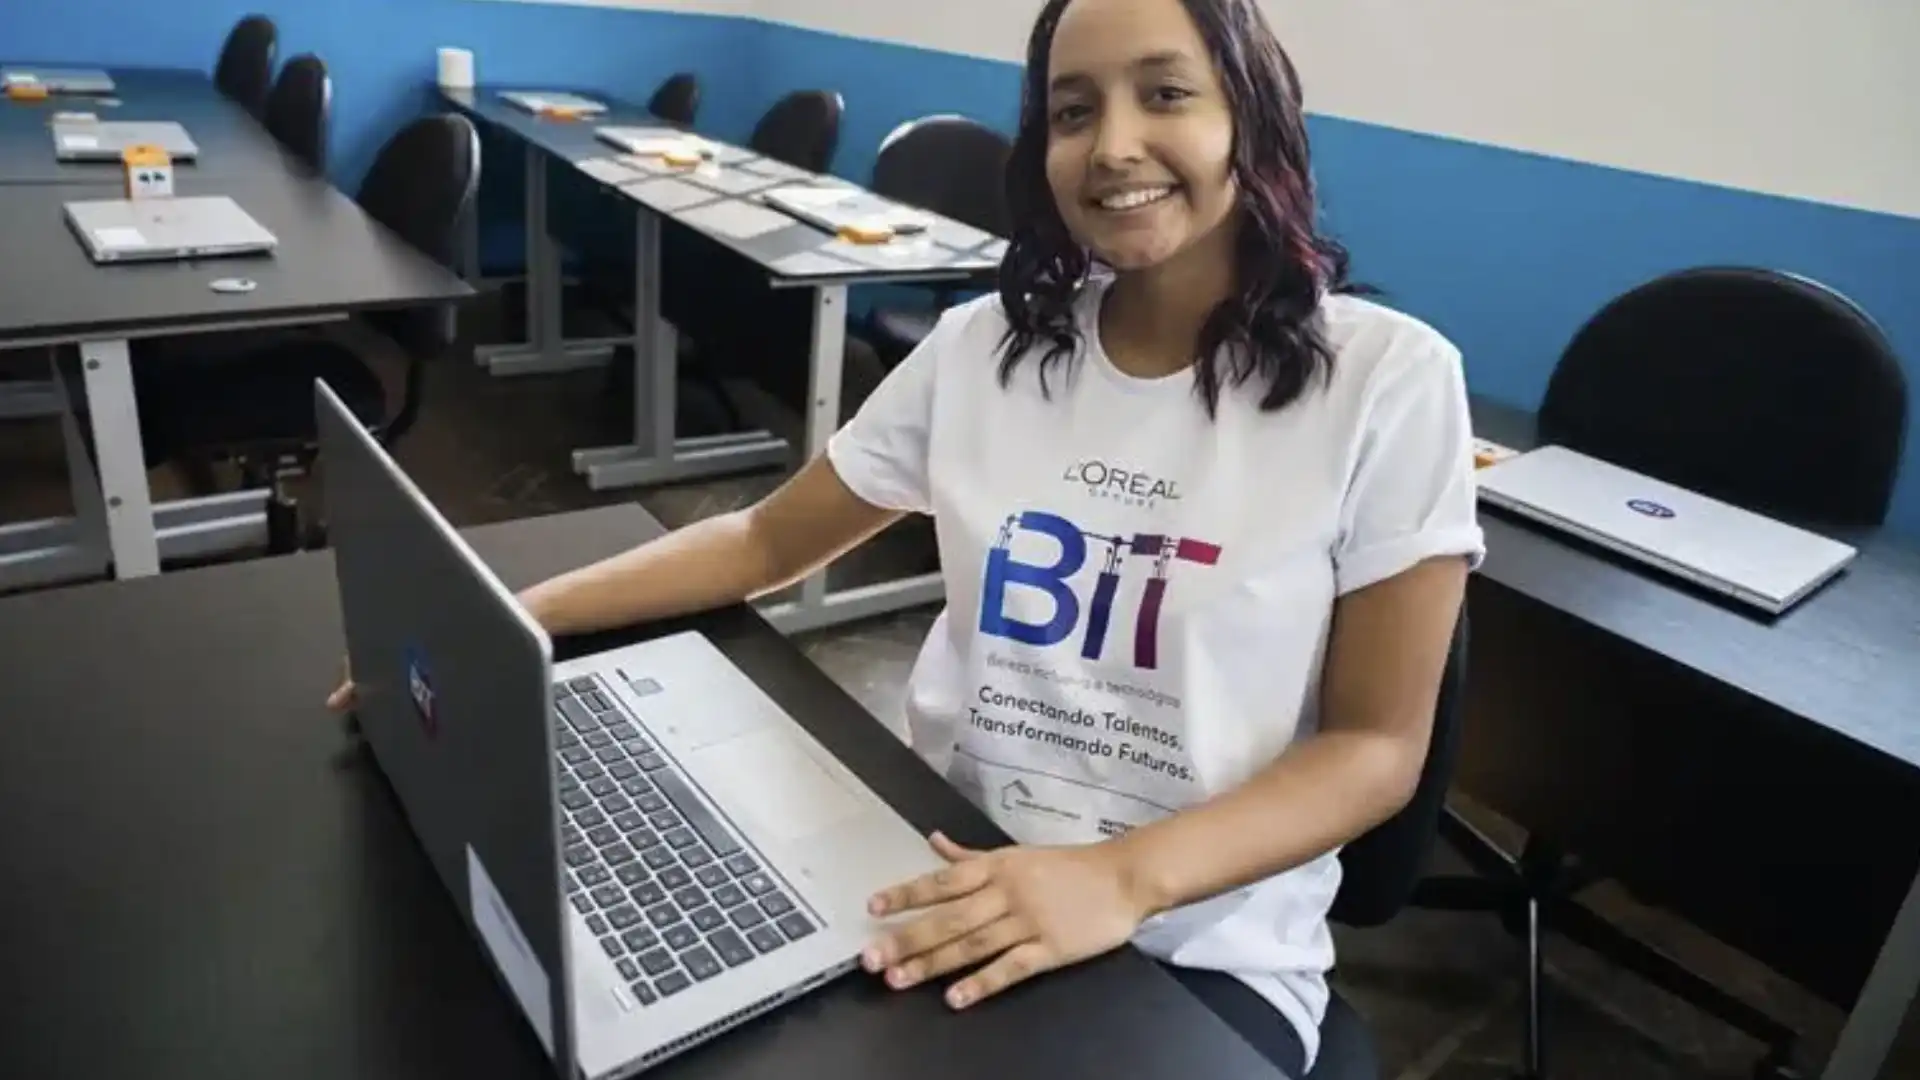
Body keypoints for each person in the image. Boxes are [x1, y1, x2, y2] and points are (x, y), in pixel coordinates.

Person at [331, 0, 1481, 1072]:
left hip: (1195, 948)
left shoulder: (1387, 380)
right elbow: (764, 542)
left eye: (1166, 94)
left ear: (1253, 115)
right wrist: (516, 616)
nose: (1113, 144)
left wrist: (1120, 880)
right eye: (1073, 110)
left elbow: (1377, 748)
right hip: (937, 871)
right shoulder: (988, 347)